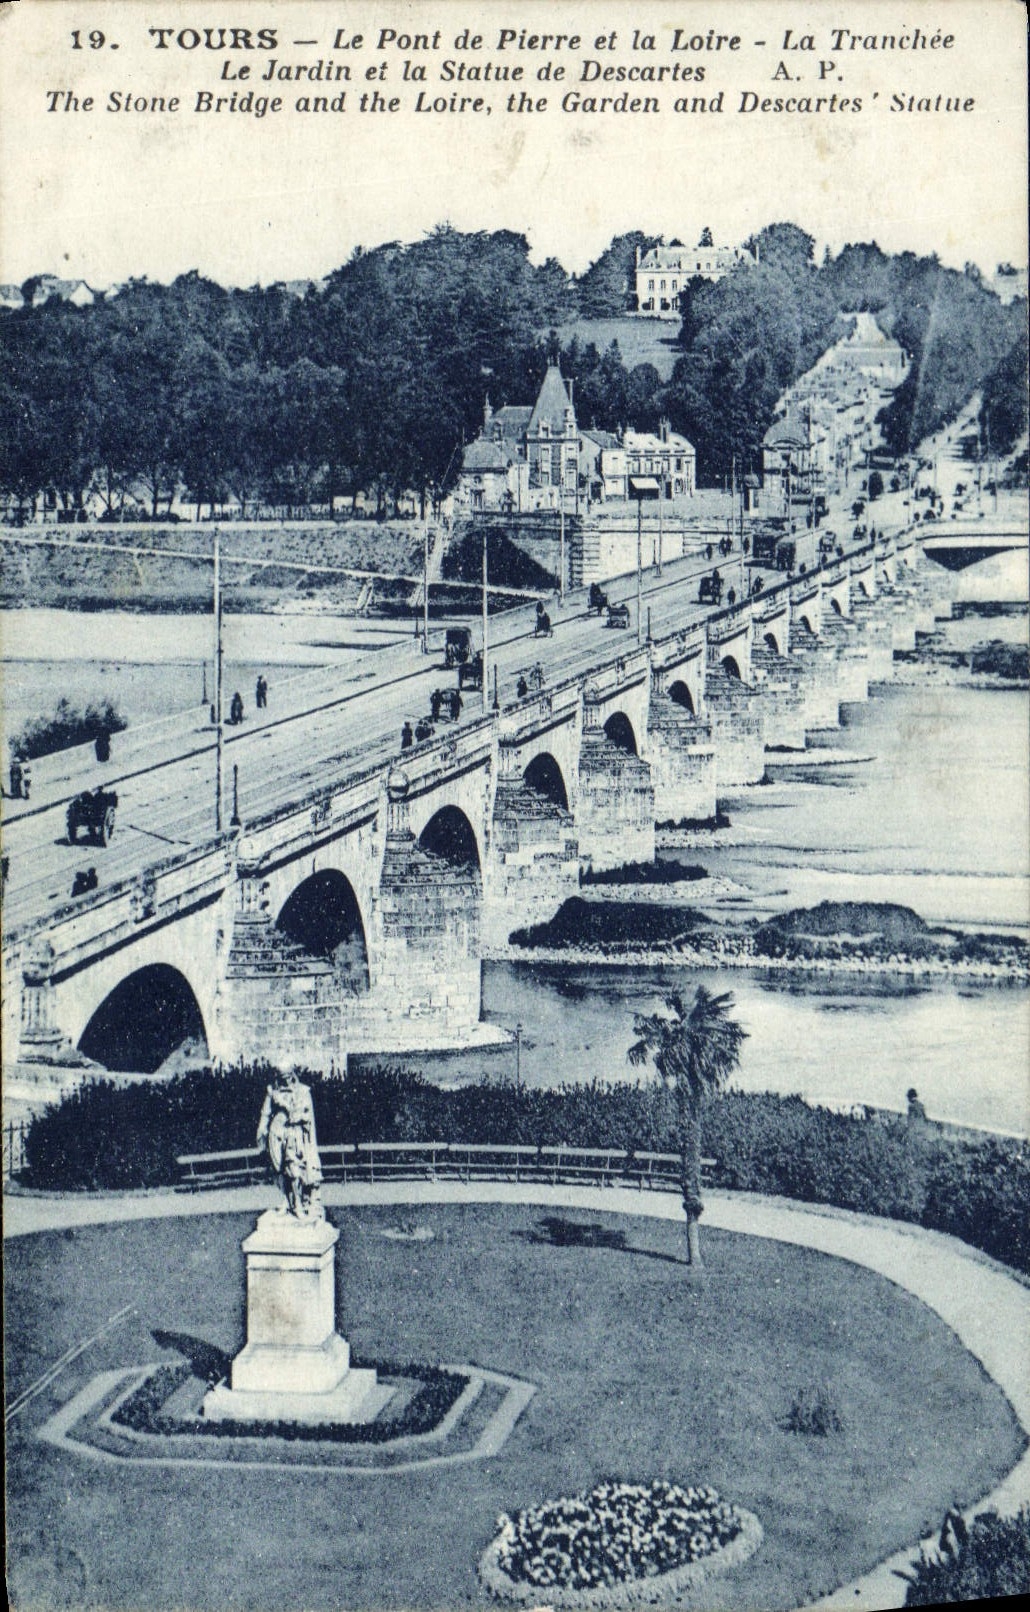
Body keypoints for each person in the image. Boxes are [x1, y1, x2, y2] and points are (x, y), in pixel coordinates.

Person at [256, 1071, 324, 1219]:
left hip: (293, 1132)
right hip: (276, 1132)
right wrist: (262, 1129)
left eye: (287, 1077)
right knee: (279, 1168)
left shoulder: (303, 1091)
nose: (285, 1081)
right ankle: (286, 1200)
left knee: (293, 1169)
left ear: (292, 1074)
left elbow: (308, 1117)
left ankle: (298, 1203)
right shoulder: (272, 1090)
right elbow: (266, 1113)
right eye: (282, 1078)